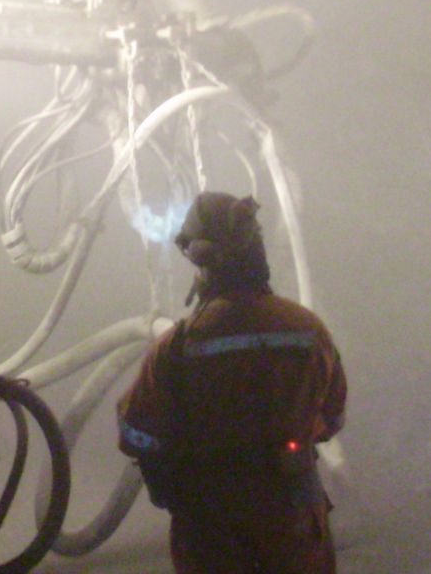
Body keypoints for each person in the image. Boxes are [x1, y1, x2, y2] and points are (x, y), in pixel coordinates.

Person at [117, 191, 346, 574]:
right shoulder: (307, 330)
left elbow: (135, 434)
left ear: (200, 262)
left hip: (208, 520)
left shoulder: (176, 347)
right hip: (293, 511)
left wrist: (178, 467)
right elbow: (333, 417)